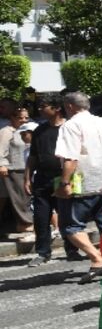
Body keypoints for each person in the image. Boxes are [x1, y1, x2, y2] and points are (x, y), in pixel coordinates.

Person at [54, 91, 102, 281]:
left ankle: (97, 259)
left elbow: (70, 157)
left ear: (69, 106)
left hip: (82, 182)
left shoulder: (71, 125)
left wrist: (65, 182)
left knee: (70, 226)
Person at [25, 97, 69, 266]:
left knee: (65, 215)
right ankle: (43, 252)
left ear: (57, 108)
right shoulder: (39, 131)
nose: (40, 110)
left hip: (63, 178)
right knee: (41, 217)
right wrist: (27, 177)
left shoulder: (68, 128)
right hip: (42, 178)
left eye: (44, 106)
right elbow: (33, 157)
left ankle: (71, 249)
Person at [0, 107, 34, 237]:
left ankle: (26, 222)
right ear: (12, 118)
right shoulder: (6, 131)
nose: (24, 120)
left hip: (26, 168)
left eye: (26, 117)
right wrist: (2, 164)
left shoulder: (27, 130)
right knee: (19, 198)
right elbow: (1, 150)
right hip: (13, 169)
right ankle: (24, 223)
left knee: (26, 197)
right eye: (20, 117)